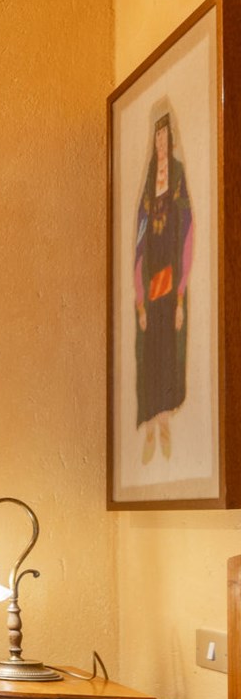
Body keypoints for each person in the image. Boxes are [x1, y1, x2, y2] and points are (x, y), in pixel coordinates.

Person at [134, 110, 194, 462]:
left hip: (172, 282)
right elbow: (140, 239)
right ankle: (150, 426)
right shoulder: (147, 183)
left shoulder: (179, 176)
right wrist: (139, 298)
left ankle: (165, 421)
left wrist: (181, 293)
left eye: (165, 135)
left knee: (169, 350)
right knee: (150, 352)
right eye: (156, 136)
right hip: (150, 280)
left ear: (171, 139)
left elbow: (187, 232)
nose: (160, 142)